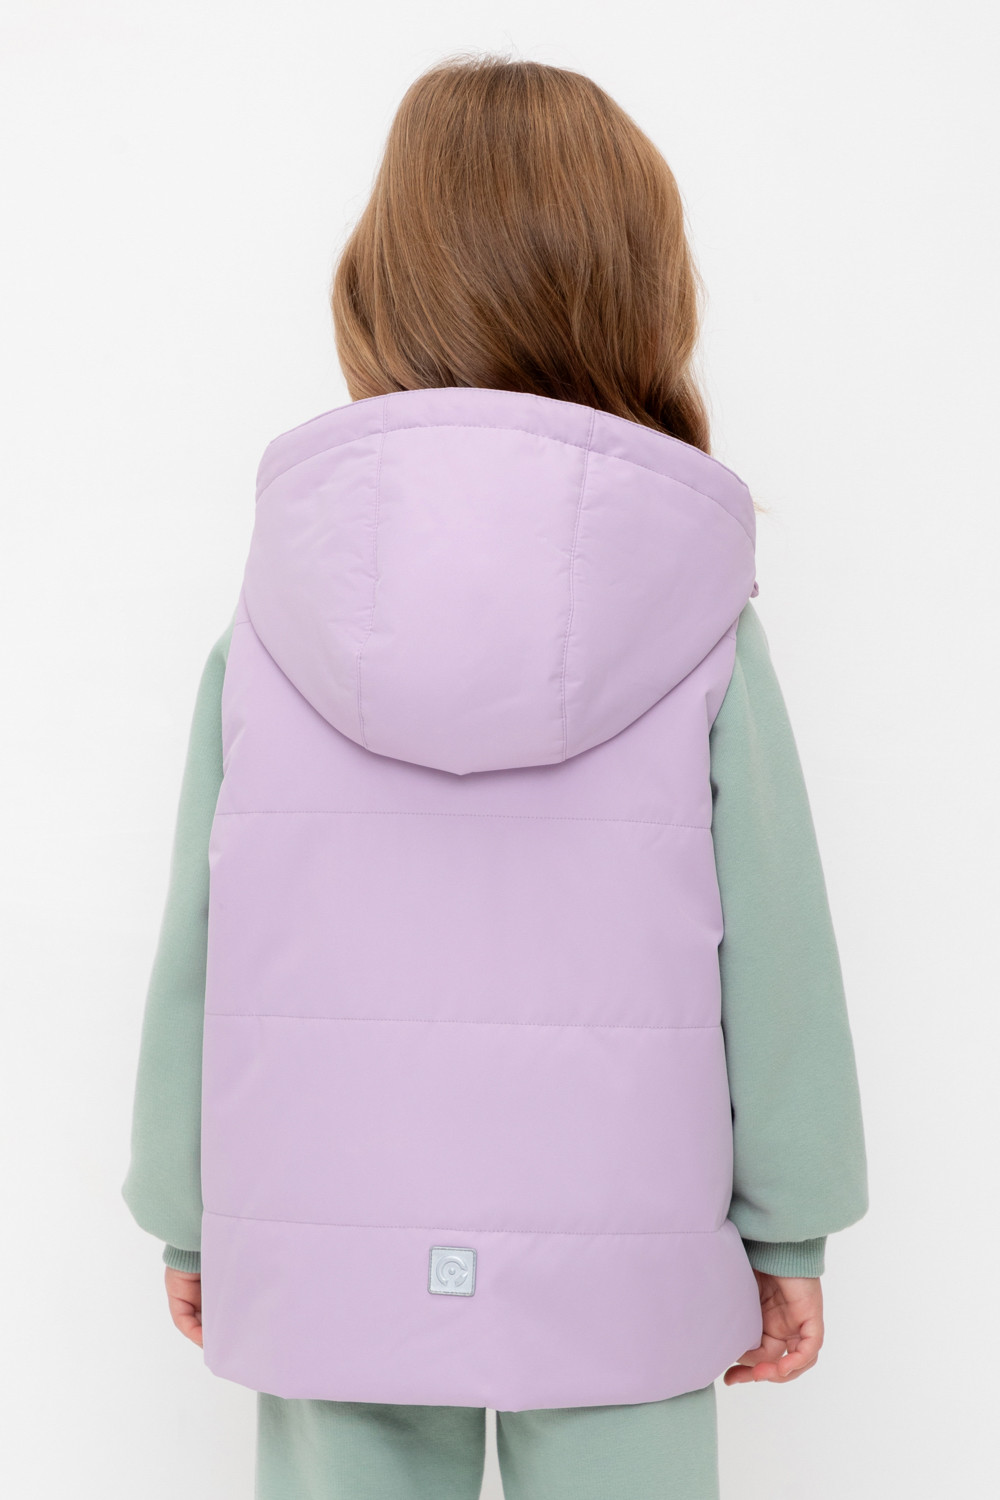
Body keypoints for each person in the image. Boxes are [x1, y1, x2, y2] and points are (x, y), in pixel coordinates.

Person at [122, 52, 867, 1500]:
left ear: (382, 278)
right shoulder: (698, 604)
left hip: (327, 1220)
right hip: (626, 1243)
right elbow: (777, 947)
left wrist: (186, 1206)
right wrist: (792, 1220)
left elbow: (202, 939)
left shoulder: (278, 600)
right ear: (638, 284)